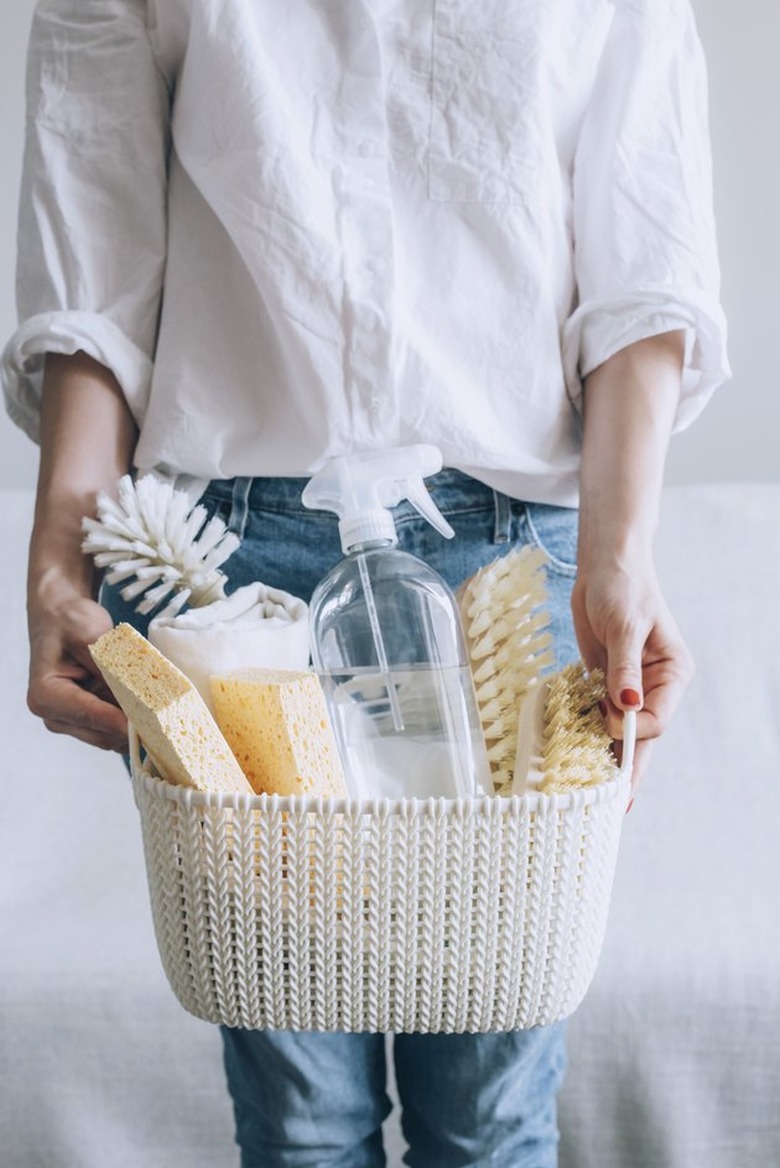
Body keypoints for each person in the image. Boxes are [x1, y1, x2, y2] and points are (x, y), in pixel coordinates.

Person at [3, 1, 729, 1165]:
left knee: (489, 1121)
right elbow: (97, 246)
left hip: (514, 561)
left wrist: (618, 553)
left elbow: (645, 248)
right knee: (301, 1126)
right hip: (230, 567)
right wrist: (58, 566)